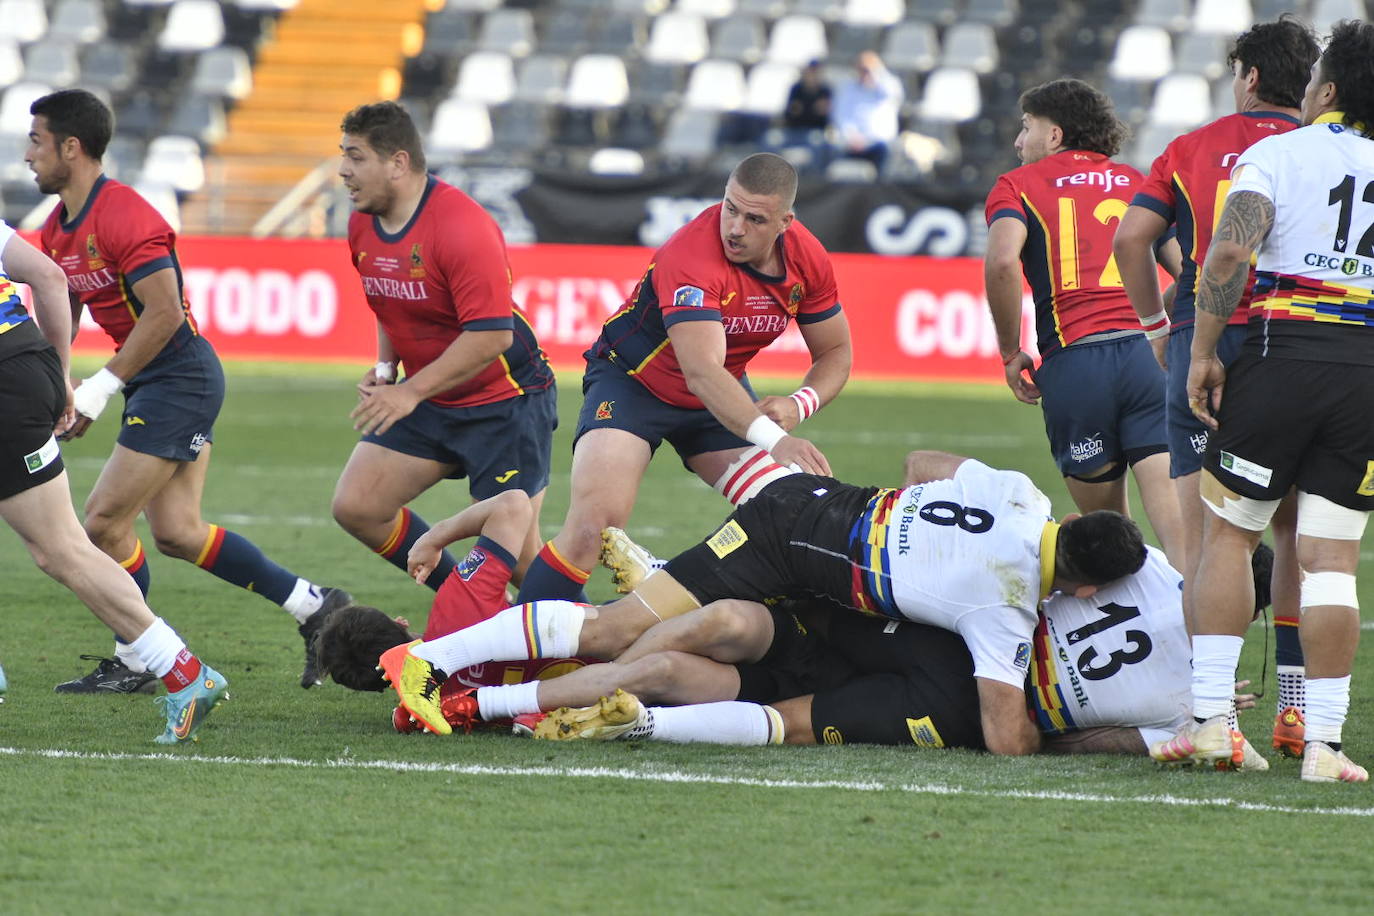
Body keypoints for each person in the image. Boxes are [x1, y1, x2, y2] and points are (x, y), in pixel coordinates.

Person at [381, 451, 1148, 755]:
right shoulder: (1006, 606)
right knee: (614, 632)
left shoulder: (1022, 496)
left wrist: (913, 534)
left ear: (1072, 524)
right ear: (1082, 587)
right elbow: (1005, 735)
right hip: (781, 543)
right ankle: (424, 661)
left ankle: (462, 689)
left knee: (660, 636)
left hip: (812, 507)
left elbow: (924, 463)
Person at [26, 89, 346, 693]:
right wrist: (61, 377)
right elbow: (62, 302)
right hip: (157, 381)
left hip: (180, 376)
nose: (27, 156)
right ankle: (313, 604)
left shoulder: (124, 214)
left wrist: (100, 388)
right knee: (177, 532)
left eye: (37, 141)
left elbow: (167, 312)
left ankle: (139, 656)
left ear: (72, 147)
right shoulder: (58, 228)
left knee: (99, 523)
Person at [537, 541, 1272, 770]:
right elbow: (1098, 739)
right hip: (967, 705)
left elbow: (1065, 567)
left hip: (960, 642)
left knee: (807, 613)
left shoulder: (1148, 563)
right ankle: (634, 716)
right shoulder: (1195, 706)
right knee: (789, 720)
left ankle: (667, 589)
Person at [1155, 20, 1374, 784]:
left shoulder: (1278, 153)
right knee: (1332, 561)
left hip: (1283, 355)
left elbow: (1228, 254)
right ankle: (1325, 745)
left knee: (1230, 538)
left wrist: (1206, 352)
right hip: (1365, 374)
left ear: (1331, 91)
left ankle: (1214, 721)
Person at [514, 152, 851, 604]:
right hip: (633, 384)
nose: (734, 227)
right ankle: (512, 655)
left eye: (754, 218)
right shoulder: (691, 254)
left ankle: (670, 596)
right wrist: (776, 439)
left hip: (717, 402)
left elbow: (835, 351)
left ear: (784, 222)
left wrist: (799, 403)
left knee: (793, 520)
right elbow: (700, 370)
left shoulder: (807, 259)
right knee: (594, 526)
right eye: (731, 208)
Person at [1113, 18, 1319, 756]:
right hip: (1291, 335)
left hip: (1206, 328)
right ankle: (1295, 709)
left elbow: (1130, 238)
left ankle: (1216, 719)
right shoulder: (1320, 151)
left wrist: (1155, 324)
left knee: (1207, 540)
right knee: (1296, 531)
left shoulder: (1192, 146)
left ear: (1250, 75)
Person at [0, 217, 226, 743]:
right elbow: (51, 279)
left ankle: (186, 673)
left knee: (62, 548)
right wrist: (58, 377)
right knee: (61, 549)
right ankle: (183, 672)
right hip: (25, 363)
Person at [330, 101, 557, 603]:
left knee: (522, 560)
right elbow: (388, 303)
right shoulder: (362, 223)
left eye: (356, 156)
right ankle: (476, 603)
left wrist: (409, 391)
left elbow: (493, 335)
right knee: (358, 505)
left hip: (505, 402)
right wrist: (388, 370)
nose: (343, 169)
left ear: (398, 163)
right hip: (432, 396)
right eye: (343, 155)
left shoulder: (462, 226)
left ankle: (600, 639)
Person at [984, 78, 1184, 571]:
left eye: (1026, 127)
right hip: (1147, 359)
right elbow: (1191, 269)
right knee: (1184, 538)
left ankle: (1135, 642)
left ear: (1054, 135)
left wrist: (1011, 352)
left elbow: (1002, 263)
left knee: (1113, 546)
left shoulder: (1017, 184)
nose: (1018, 141)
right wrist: (1153, 319)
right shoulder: (1136, 181)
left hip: (1075, 364)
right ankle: (1207, 648)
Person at [829, 51, 903, 171]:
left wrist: (876, 75)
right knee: (829, 148)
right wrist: (852, 136)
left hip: (879, 143)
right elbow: (840, 116)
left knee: (886, 151)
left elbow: (893, 94)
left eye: (867, 69)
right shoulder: (847, 88)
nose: (864, 73)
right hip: (851, 143)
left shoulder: (888, 85)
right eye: (861, 69)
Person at [780, 60, 832, 172]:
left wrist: (804, 110)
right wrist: (811, 110)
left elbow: (824, 119)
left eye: (815, 72)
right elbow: (790, 115)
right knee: (772, 141)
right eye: (810, 71)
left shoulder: (825, 91)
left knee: (817, 143)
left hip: (815, 132)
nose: (812, 75)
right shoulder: (796, 89)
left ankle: (814, 181)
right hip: (793, 132)